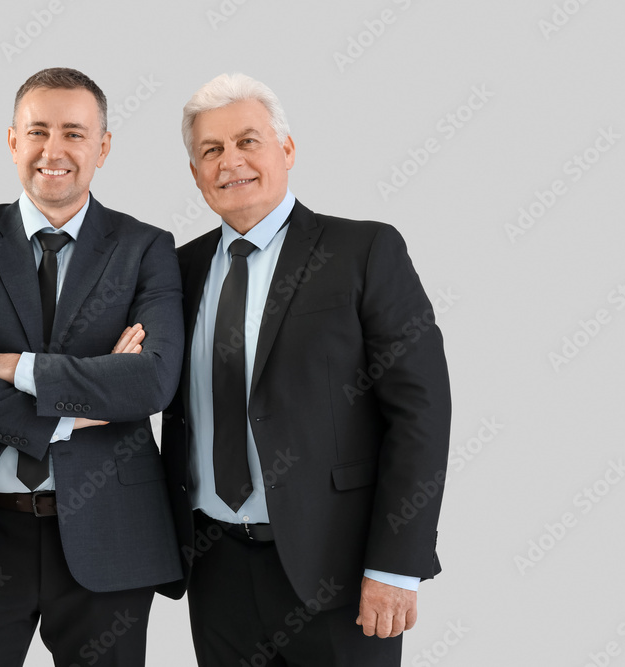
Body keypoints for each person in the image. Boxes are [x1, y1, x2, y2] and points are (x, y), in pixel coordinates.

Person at [159, 73, 452, 666]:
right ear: (195, 173)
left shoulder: (364, 251)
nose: (230, 161)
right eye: (210, 150)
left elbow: (421, 413)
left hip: (339, 573)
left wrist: (396, 565)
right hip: (215, 569)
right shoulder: (176, 270)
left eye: (248, 142)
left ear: (286, 150)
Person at [0, 67, 184, 667]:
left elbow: (152, 380)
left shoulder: (146, 248)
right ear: (12, 141)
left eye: (75, 133)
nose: (54, 150)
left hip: (109, 532)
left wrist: (9, 365)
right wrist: (71, 411)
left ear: (103, 147)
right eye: (38, 131)